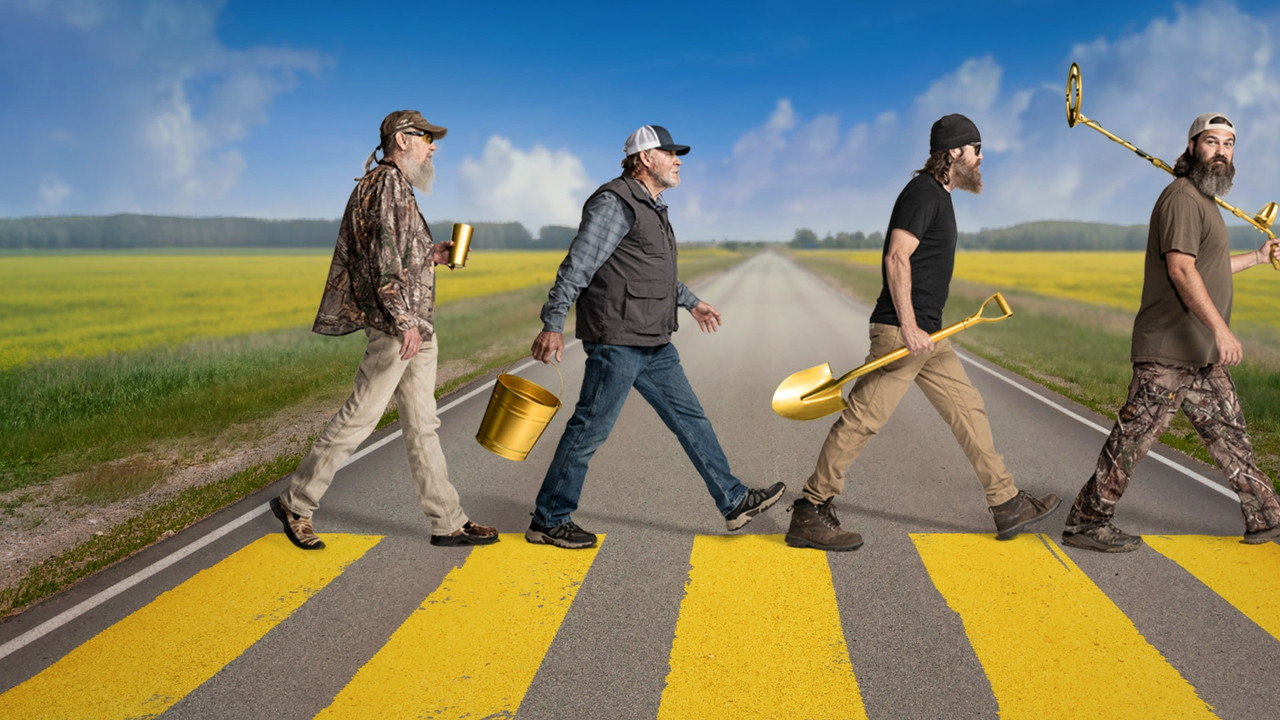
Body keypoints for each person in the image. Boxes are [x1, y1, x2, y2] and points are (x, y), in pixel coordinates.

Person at [786, 114, 1060, 551]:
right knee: (862, 420)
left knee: (968, 410)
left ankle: (1007, 502)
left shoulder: (940, 196)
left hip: (930, 335)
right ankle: (810, 509)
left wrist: (923, 329)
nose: (981, 157)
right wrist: (910, 326)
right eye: (976, 149)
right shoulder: (922, 193)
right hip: (902, 333)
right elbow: (897, 257)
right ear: (954, 153)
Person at [525, 124, 785, 549]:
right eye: (670, 153)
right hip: (618, 340)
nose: (678, 160)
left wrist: (691, 301)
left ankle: (734, 501)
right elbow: (578, 266)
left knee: (691, 420)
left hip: (653, 340)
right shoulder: (615, 202)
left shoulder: (652, 206)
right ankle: (549, 519)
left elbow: (652, 271)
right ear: (645, 159)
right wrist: (553, 322)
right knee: (590, 429)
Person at [268, 110, 498, 550]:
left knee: (423, 424)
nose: (433, 147)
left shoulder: (394, 187)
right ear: (403, 140)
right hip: (400, 328)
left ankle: (447, 520)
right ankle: (296, 502)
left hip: (414, 326)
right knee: (360, 416)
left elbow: (395, 251)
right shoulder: (388, 183)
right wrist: (403, 319)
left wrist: (431, 255)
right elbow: (380, 261)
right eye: (427, 138)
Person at [1063, 112, 1280, 552]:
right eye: (1212, 142)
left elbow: (1209, 267)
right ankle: (1087, 521)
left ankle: (1267, 518)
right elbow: (1181, 270)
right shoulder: (1181, 198)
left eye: (1229, 144)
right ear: (1192, 146)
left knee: (1231, 438)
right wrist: (1222, 330)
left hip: (1200, 354)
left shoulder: (1205, 201)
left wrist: (1256, 259)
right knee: (1133, 440)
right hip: (1168, 352)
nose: (1221, 151)